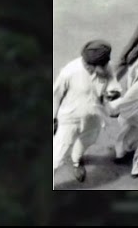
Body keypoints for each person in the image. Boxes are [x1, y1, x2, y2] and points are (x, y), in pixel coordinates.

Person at [53, 40, 119, 184]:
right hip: (70, 118)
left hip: (94, 117)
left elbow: (114, 87)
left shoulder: (108, 68)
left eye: (93, 66)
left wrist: (112, 94)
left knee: (86, 141)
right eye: (87, 64)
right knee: (57, 153)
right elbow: (56, 95)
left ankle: (76, 161)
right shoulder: (69, 71)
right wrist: (53, 118)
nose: (89, 68)